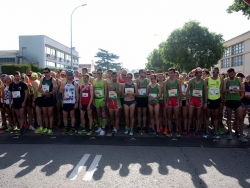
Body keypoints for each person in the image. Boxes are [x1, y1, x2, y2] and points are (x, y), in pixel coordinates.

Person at [223, 68, 247, 142]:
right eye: (229, 75)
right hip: (229, 100)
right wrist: (230, 90)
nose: (230, 76)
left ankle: (241, 135)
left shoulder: (238, 79)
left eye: (232, 74)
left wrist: (238, 91)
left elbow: (243, 90)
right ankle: (230, 133)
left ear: (234, 73)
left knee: (240, 117)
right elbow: (223, 90)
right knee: (229, 117)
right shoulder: (226, 80)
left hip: (237, 101)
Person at [186, 68, 206, 138]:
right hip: (192, 99)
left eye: (201, 73)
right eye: (199, 73)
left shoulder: (203, 81)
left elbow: (205, 92)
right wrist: (187, 100)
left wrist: (205, 102)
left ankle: (197, 131)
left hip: (199, 100)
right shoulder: (191, 81)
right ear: (196, 73)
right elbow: (187, 91)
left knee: (198, 116)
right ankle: (188, 130)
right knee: (190, 116)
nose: (200, 74)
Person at [204, 67, 223, 139]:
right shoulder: (207, 79)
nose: (215, 73)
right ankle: (206, 131)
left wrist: (221, 101)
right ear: (211, 72)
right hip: (209, 99)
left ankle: (215, 131)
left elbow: (221, 91)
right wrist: (205, 102)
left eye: (217, 72)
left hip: (217, 99)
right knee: (207, 116)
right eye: (214, 72)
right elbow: (205, 91)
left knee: (216, 117)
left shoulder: (221, 79)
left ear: (218, 73)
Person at [38, 67, 57, 135]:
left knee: (50, 114)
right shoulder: (42, 79)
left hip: (50, 98)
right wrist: (42, 92)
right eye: (44, 72)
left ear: (49, 72)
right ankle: (46, 127)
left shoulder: (53, 80)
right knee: (45, 114)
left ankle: (50, 128)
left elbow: (55, 90)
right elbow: (39, 88)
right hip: (44, 98)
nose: (45, 74)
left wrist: (48, 93)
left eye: (47, 72)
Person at [164, 68, 182, 137]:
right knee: (169, 117)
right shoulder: (166, 82)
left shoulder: (178, 81)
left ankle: (177, 130)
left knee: (177, 116)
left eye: (172, 73)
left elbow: (180, 92)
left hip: (176, 100)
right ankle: (170, 130)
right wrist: (165, 103)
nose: (170, 74)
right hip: (169, 100)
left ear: (175, 73)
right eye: (169, 73)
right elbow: (165, 93)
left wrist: (180, 101)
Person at [9, 71, 28, 136]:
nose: (18, 77)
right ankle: (20, 127)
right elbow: (10, 94)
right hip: (15, 102)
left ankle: (21, 128)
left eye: (19, 76)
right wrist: (10, 102)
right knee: (18, 116)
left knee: (21, 115)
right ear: (14, 77)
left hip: (21, 102)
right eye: (16, 76)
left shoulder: (23, 84)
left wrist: (24, 102)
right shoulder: (11, 84)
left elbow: (26, 93)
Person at [60, 70, 79, 135]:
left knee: (72, 115)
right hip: (65, 102)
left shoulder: (75, 83)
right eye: (67, 75)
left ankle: (72, 128)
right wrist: (62, 100)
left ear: (72, 75)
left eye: (70, 75)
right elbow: (62, 92)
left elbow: (77, 94)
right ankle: (66, 127)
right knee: (64, 115)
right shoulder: (64, 83)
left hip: (72, 102)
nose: (68, 76)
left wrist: (77, 102)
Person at [94, 68, 108, 136]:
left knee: (103, 114)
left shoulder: (104, 81)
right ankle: (100, 127)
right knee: (98, 114)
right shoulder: (94, 81)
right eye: (98, 73)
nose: (100, 74)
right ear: (96, 74)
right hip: (96, 99)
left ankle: (103, 129)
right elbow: (93, 91)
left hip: (102, 99)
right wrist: (93, 100)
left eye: (101, 73)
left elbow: (106, 91)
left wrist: (104, 100)